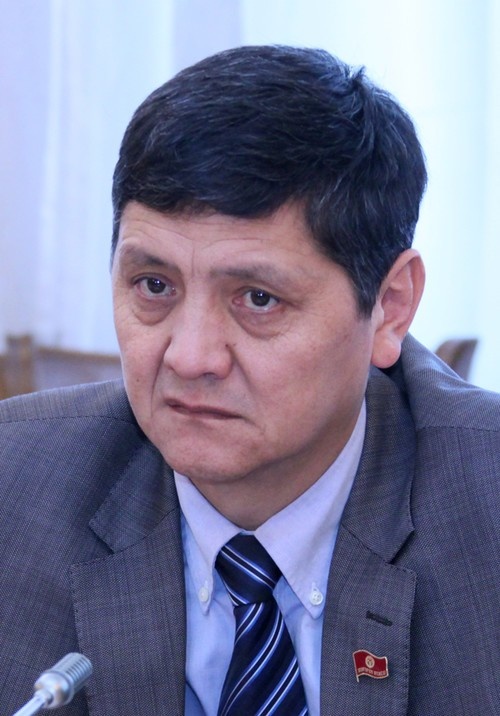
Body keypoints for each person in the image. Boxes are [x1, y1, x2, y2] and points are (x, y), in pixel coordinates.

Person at [0, 45, 498, 716]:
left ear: (390, 306)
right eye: (154, 286)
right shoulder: (15, 491)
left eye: (258, 299)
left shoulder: (483, 503)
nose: (189, 358)